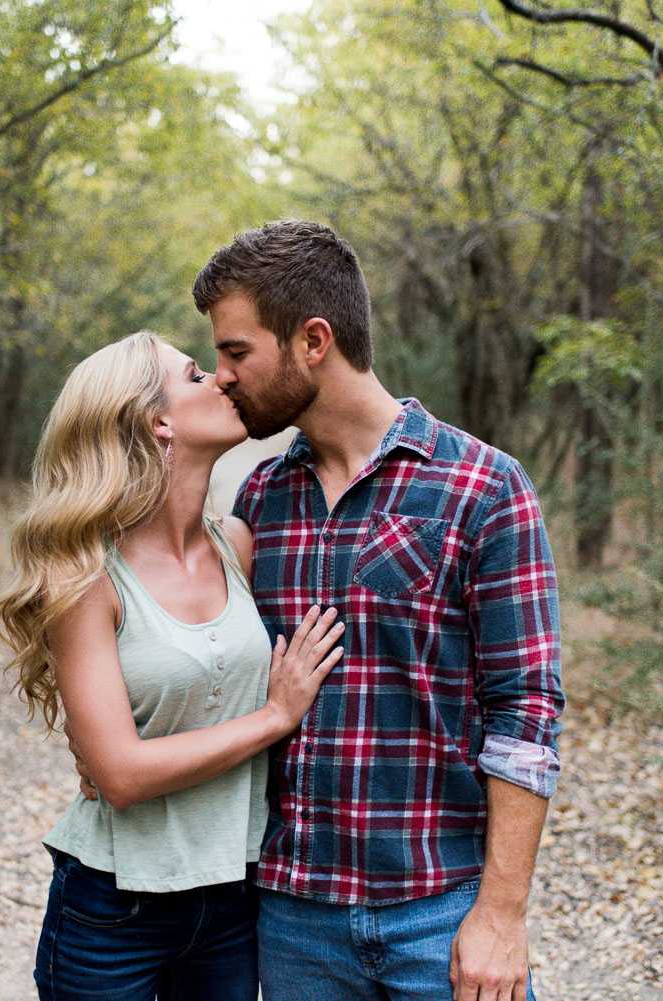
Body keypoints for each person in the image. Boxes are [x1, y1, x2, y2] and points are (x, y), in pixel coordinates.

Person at [189, 219, 565, 1001]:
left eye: (236, 351)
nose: (223, 376)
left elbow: (526, 711)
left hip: (444, 910)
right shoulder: (262, 497)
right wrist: (110, 738)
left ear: (313, 340)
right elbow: (200, 648)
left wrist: (501, 913)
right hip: (294, 921)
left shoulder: (482, 487)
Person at [0, 330, 346, 1001]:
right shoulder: (86, 580)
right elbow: (119, 775)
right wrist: (274, 716)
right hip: (113, 909)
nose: (222, 379)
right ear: (158, 422)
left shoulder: (238, 544)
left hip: (231, 902)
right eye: (193, 375)